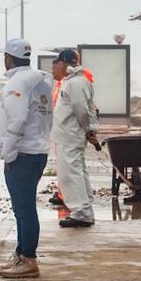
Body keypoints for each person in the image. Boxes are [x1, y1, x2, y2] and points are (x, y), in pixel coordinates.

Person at [0, 38, 54, 280]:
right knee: (25, 207)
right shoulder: (40, 81)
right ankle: (21, 253)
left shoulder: (17, 83)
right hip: (37, 150)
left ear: (9, 58)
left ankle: (28, 259)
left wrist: (7, 153)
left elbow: (17, 120)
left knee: (24, 209)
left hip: (23, 154)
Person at [52, 49, 99, 227]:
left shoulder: (75, 82)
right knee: (77, 172)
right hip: (70, 135)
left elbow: (81, 108)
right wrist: (90, 129)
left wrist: (89, 129)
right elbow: (88, 108)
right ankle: (84, 210)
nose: (54, 67)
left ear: (63, 63)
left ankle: (81, 212)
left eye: (56, 63)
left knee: (71, 174)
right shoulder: (76, 81)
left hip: (70, 136)